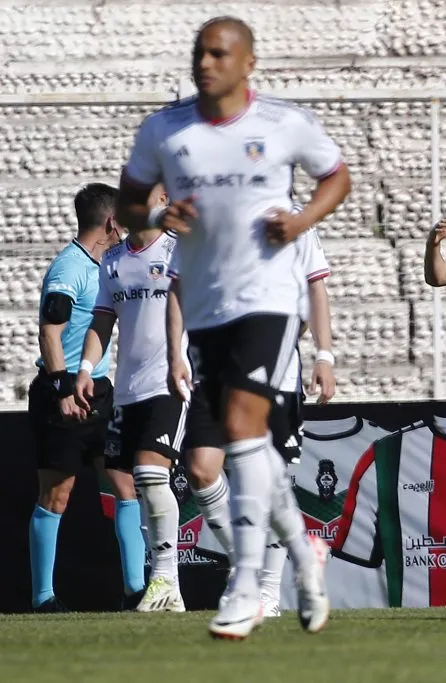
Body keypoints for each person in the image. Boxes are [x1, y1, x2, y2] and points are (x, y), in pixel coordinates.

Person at [116, 16, 350, 639]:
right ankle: (302, 551)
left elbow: (337, 177)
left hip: (270, 302)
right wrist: (162, 211)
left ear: (248, 62)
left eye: (219, 53)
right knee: (202, 464)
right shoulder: (166, 129)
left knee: (245, 428)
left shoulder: (281, 124)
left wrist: (301, 225)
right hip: (208, 310)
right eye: (199, 51)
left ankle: (248, 584)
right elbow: (128, 205)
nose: (206, 62)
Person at [170, 222, 335, 618]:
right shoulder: (204, 214)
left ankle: (265, 593)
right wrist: (175, 354)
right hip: (211, 365)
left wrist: (324, 355)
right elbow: (177, 286)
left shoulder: (289, 217)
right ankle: (254, 563)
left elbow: (314, 286)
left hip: (271, 370)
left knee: (266, 474)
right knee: (200, 469)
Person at [74, 184, 187, 613]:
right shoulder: (114, 262)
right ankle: (171, 586)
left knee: (149, 473)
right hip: (128, 389)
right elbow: (102, 324)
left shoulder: (178, 253)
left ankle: (165, 580)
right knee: (143, 485)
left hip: (170, 382)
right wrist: (85, 370)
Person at [28, 183, 140, 612]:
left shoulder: (110, 265)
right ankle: (43, 599)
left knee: (125, 484)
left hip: (99, 391)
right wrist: (61, 390)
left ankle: (136, 590)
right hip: (61, 394)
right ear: (111, 222)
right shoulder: (68, 268)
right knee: (57, 494)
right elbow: (49, 331)